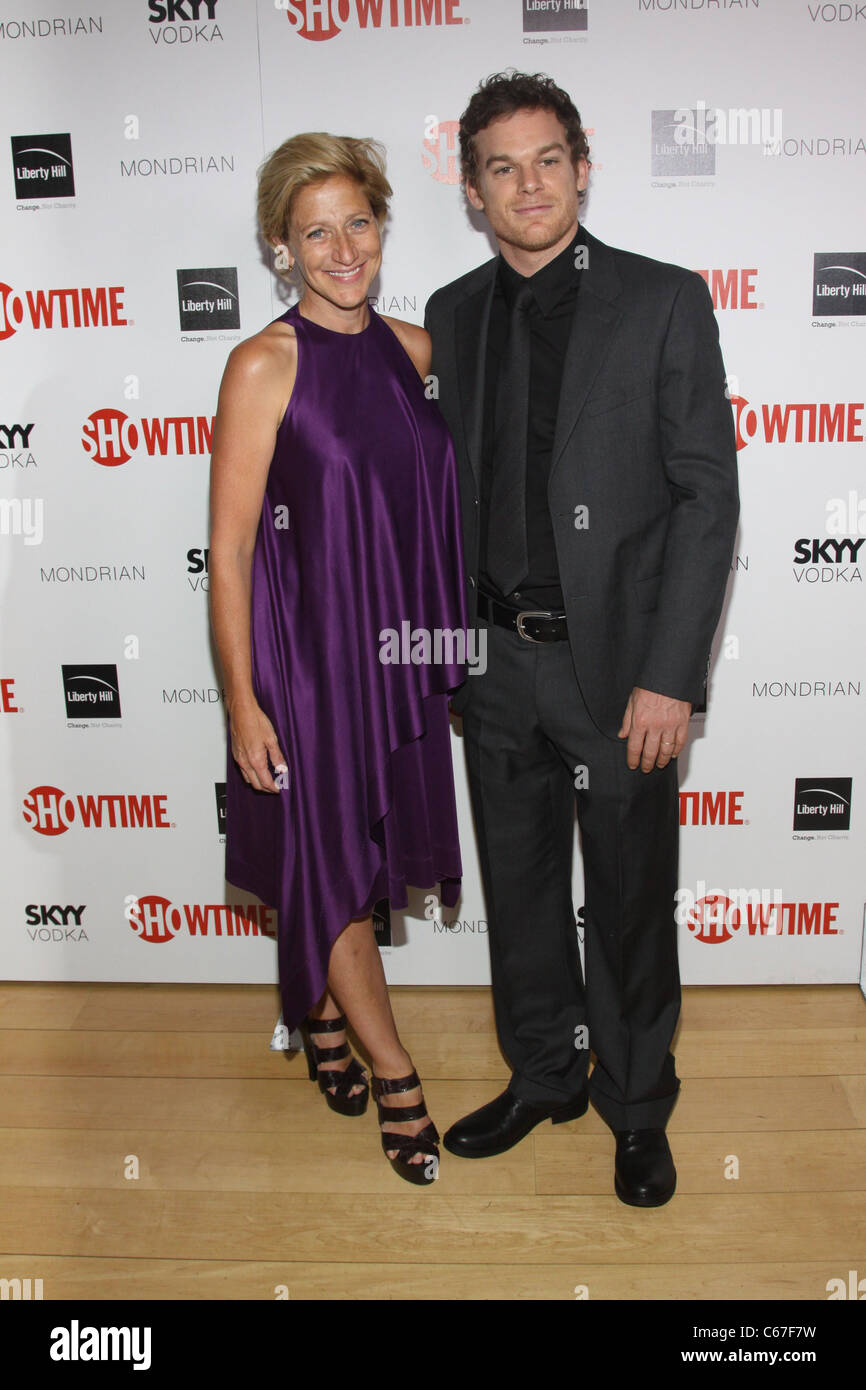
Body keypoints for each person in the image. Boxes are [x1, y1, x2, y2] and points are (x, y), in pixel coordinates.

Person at [424, 72, 739, 1205]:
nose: (527, 185)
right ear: (470, 189)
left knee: (627, 897)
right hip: (493, 662)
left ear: (583, 162)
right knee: (516, 890)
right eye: (500, 167)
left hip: (618, 673)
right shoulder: (450, 314)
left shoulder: (662, 300)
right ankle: (545, 1074)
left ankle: (634, 1103)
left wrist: (670, 678)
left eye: (545, 158)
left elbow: (706, 499)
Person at [209, 133, 468, 1186]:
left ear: (381, 224)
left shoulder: (410, 351)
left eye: (356, 220)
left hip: (390, 655)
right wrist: (241, 701)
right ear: (282, 247)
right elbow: (228, 549)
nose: (341, 246)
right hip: (304, 666)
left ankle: (317, 1016)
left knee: (348, 850)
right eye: (314, 230)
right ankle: (394, 1074)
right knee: (334, 862)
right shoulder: (263, 364)